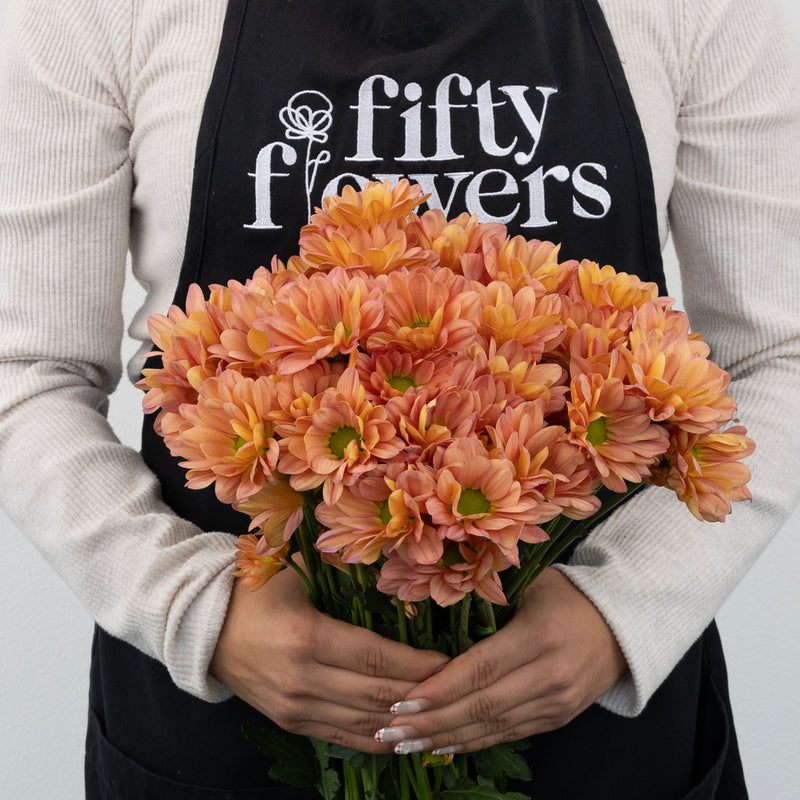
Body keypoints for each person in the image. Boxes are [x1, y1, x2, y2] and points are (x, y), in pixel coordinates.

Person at [0, 0, 798, 797]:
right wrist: (196, 611)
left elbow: (780, 355)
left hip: (597, 720)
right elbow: (25, 371)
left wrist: (621, 608)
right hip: (222, 724)